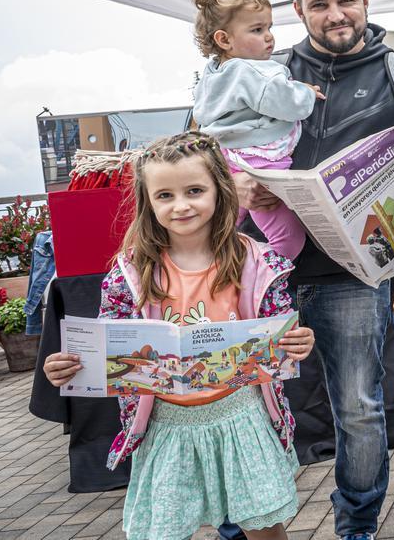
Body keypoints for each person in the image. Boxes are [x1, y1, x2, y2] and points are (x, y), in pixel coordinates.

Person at [234, 0, 394, 540]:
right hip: (267, 268)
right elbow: (211, 153)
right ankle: (247, 521)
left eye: (345, 0)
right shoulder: (267, 75)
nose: (336, 14)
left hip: (356, 273)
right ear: (298, 10)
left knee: (358, 408)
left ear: (366, 0)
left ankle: (356, 526)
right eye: (319, 5)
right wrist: (241, 186)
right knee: (237, 400)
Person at [42, 132, 316, 540]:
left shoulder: (257, 261)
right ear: (148, 203)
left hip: (241, 417)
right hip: (165, 425)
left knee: (264, 528)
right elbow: (104, 343)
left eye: (194, 190)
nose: (181, 205)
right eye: (165, 195)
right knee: (164, 530)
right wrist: (69, 365)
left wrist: (299, 343)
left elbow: (281, 336)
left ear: (220, 191)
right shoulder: (130, 272)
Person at [192, 0, 322, 261]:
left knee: (220, 230)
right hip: (262, 163)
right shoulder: (254, 71)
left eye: (269, 28)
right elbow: (289, 104)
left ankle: (218, 272)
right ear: (224, 39)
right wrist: (306, 91)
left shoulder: (213, 74)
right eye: (257, 30)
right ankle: (263, 278)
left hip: (227, 159)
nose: (269, 38)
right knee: (287, 238)